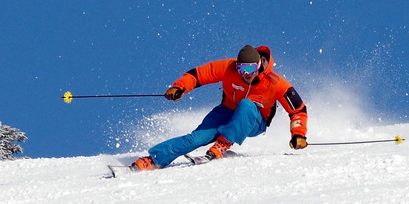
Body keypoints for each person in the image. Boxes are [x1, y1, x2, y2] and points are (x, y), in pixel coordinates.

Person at [131, 45, 308, 171]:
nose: (246, 73)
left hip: (255, 120)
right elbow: (199, 74)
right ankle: (154, 159)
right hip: (226, 112)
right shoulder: (229, 68)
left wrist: (298, 134)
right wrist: (180, 87)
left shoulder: (276, 83)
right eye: (241, 68)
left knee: (246, 105)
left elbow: (298, 110)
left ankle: (223, 144)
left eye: (250, 68)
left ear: (259, 65)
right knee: (195, 139)